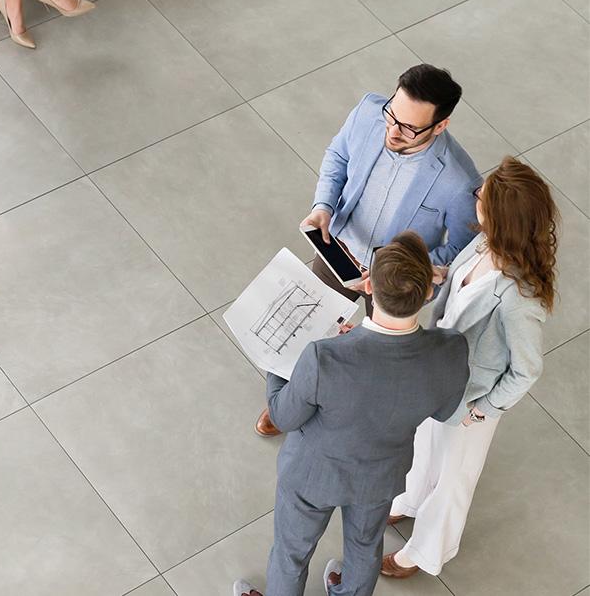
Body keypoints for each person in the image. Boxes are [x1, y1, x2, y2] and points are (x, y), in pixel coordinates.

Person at [233, 232, 470, 596]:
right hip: (379, 477)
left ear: (368, 286)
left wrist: (282, 364)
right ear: (427, 293)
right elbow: (444, 410)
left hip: (312, 474)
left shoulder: (322, 358)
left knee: (291, 553)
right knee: (364, 549)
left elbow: (283, 415)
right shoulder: (451, 351)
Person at [256, 63, 481, 438]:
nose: (392, 131)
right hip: (337, 249)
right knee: (304, 327)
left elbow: (461, 249)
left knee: (372, 361)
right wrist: (323, 206)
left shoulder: (459, 180)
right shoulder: (367, 112)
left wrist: (403, 272)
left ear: (440, 125)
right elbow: (338, 156)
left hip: (390, 282)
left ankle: (344, 420)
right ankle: (287, 405)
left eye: (408, 128)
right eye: (392, 113)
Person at [382, 157, 558, 579]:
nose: (475, 194)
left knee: (453, 478)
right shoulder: (483, 244)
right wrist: (435, 275)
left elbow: (527, 369)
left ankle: (423, 553)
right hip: (438, 374)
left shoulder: (521, 298)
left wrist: (485, 409)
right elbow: (459, 289)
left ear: (500, 216)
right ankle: (407, 500)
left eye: (483, 194)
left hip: (470, 399)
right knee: (424, 443)